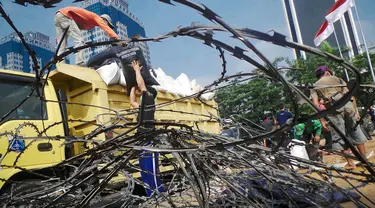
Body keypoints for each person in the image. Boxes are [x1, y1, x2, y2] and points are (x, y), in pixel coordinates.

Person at [310, 65, 367, 169]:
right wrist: (356, 112)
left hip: (334, 109)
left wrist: (321, 120)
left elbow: (315, 104)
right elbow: (351, 96)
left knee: (340, 136)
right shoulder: (338, 79)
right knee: (355, 131)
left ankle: (351, 163)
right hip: (348, 106)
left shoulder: (315, 85)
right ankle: (364, 160)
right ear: (327, 72)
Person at [129, 60, 164, 197]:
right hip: (141, 142)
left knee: (152, 170)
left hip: (150, 142)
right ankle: (151, 194)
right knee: (144, 170)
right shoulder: (142, 107)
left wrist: (137, 70)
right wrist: (131, 87)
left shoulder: (149, 99)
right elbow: (132, 102)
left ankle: (159, 194)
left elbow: (143, 87)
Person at [54, 7, 119, 66]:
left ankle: (60, 64)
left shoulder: (90, 24)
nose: (108, 26)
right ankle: (80, 63)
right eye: (108, 24)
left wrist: (58, 39)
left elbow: (71, 30)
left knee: (61, 46)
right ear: (104, 20)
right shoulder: (97, 17)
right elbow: (106, 28)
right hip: (66, 16)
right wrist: (116, 37)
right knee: (79, 40)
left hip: (58, 16)